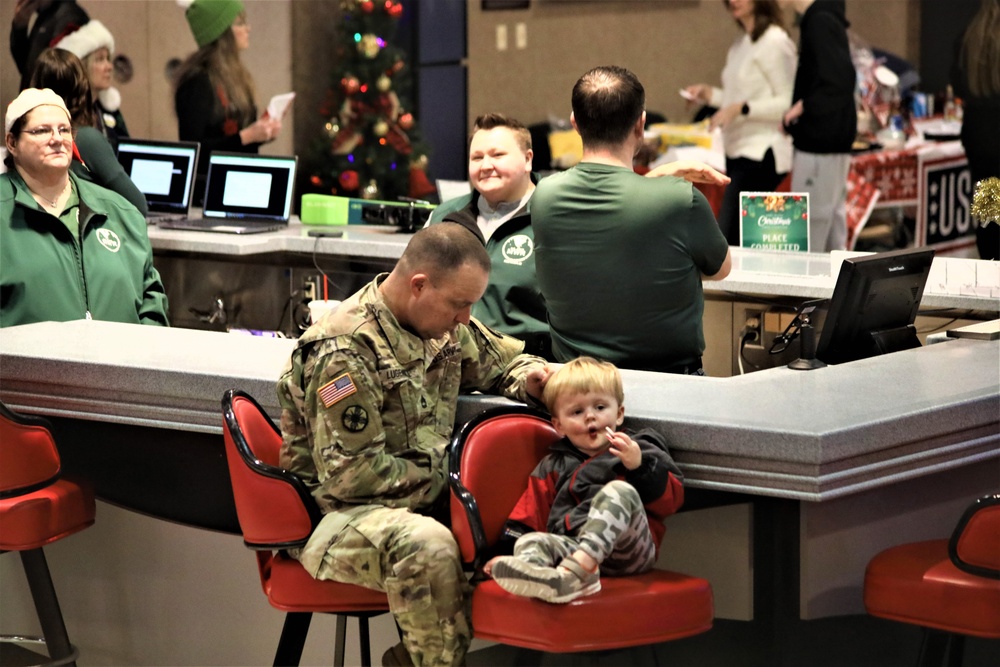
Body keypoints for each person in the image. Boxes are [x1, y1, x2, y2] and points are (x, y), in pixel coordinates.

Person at [276, 223, 550, 667]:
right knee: (427, 545)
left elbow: (507, 362)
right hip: (334, 518)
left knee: (523, 521)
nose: (466, 317)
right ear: (419, 285)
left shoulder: (443, 325)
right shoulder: (344, 348)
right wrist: (454, 483)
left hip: (412, 501)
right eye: (460, 304)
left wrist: (536, 381)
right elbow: (352, 477)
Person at [532, 65, 733, 375]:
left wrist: (656, 179)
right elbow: (720, 270)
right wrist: (663, 183)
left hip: (577, 389)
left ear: (575, 124)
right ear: (641, 125)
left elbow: (611, 237)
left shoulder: (544, 196)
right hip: (670, 384)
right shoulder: (680, 200)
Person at [485, 357, 685, 604]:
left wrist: (639, 465)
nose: (590, 417)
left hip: (628, 553)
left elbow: (671, 502)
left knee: (619, 491)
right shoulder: (552, 465)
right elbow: (529, 515)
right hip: (573, 548)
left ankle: (576, 574)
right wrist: (506, 555)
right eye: (577, 412)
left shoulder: (640, 449)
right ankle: (543, 579)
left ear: (619, 414)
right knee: (531, 541)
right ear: (558, 425)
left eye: (600, 408)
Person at [1, 88, 169, 327]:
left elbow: (152, 300)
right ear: (12, 143)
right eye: (42, 130)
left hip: (121, 361)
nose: (57, 139)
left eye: (64, 130)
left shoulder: (121, 212)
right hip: (27, 364)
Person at [426, 113, 552, 359]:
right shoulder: (444, 216)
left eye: (497, 155)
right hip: (449, 366)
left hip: (529, 367)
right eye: (477, 157)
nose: (485, 165)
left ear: (528, 160)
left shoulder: (555, 215)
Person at [684, 0, 796, 245]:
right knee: (732, 241)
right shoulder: (741, 44)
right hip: (737, 150)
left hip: (762, 153)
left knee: (730, 240)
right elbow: (737, 100)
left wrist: (741, 108)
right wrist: (709, 94)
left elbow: (788, 102)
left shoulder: (775, 41)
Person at [174, 0, 282, 203]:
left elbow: (239, 139)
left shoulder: (236, 75)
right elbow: (193, 151)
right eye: (240, 23)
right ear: (222, 33)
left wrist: (262, 132)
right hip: (208, 194)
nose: (248, 29)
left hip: (241, 185)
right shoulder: (197, 81)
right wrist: (247, 136)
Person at [778, 0, 857, 253]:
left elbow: (840, 81)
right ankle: (838, 287)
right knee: (832, 220)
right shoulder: (822, 18)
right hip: (828, 141)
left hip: (820, 143)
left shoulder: (819, 21)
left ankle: (811, 290)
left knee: (812, 224)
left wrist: (802, 108)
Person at [30, 48, 148, 214]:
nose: (108, 66)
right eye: (100, 59)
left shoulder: (26, 139)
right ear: (81, 86)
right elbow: (138, 205)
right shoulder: (85, 139)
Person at [953, 0, 1000, 260]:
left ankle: (991, 269)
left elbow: (958, 85)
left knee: (990, 218)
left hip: (980, 143)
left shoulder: (970, 36)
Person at [51, 19, 130, 150]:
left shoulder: (109, 110)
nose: (109, 66)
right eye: (100, 59)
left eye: (108, 59)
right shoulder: (65, 113)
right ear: (81, 66)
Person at [9, 0, 88, 91]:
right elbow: (26, 67)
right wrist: (20, 27)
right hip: (39, 99)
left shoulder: (70, 16)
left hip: (48, 101)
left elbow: (59, 75)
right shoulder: (47, 14)